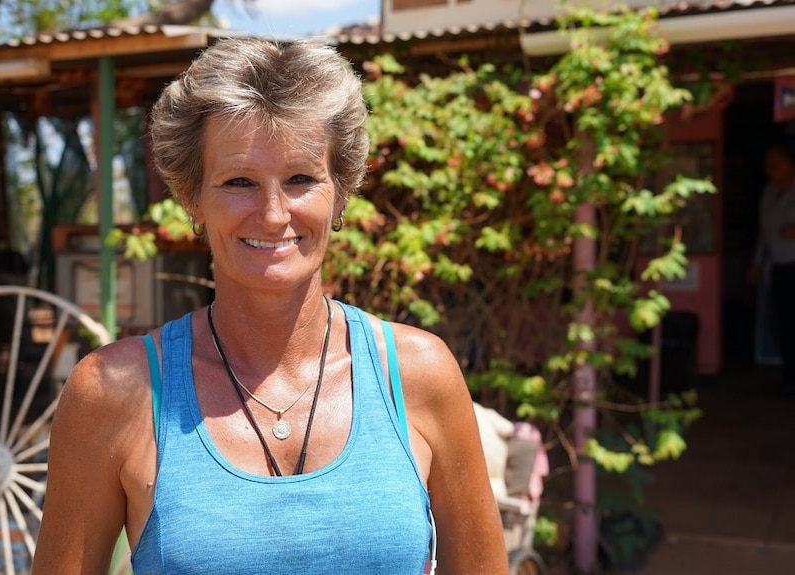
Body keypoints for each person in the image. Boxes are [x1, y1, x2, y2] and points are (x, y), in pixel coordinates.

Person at [32, 37, 508, 574]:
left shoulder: (420, 376)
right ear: (193, 198)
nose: (274, 214)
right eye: (240, 182)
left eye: (301, 179)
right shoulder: (114, 393)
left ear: (341, 192)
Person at [751, 142, 795, 396]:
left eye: (776, 164)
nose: (770, 170)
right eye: (768, 165)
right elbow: (764, 233)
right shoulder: (769, 193)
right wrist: (757, 263)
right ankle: (789, 380)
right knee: (783, 324)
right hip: (779, 266)